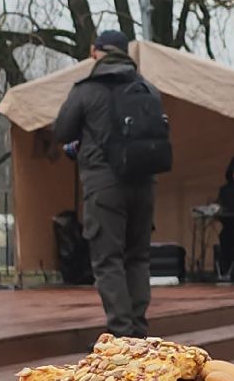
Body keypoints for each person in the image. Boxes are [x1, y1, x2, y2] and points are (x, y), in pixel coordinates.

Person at [54, 30, 165, 338]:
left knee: (108, 259)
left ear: (95, 52)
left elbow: (61, 131)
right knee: (138, 258)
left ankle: (121, 334)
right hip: (144, 185)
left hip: (104, 187)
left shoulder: (87, 90)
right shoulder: (149, 89)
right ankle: (138, 332)